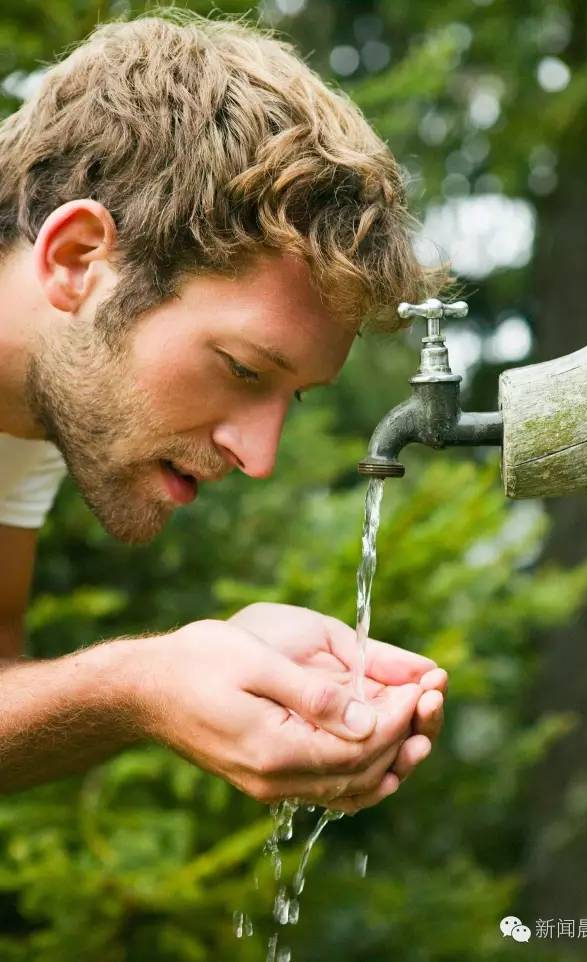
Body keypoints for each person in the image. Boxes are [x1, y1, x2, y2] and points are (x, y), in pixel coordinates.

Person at [0, 11, 449, 811]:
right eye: (243, 368)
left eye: (293, 395)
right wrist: (133, 682)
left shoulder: (37, 400)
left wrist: (169, 678)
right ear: (76, 261)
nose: (260, 455)